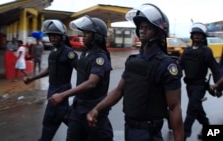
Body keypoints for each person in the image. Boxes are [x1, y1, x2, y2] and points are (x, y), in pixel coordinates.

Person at [86, 3, 184, 141]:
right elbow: (119, 90)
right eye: (141, 27)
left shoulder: (166, 65)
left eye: (148, 28)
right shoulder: (133, 61)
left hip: (149, 133)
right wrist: (97, 109)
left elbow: (174, 108)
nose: (143, 31)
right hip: (129, 129)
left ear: (159, 32)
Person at [48, 15, 113, 141]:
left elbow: (91, 83)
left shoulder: (100, 57)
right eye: (83, 33)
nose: (83, 36)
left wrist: (63, 95)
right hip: (78, 108)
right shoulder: (85, 53)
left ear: (97, 36)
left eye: (87, 33)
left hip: (94, 110)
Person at [23, 19, 78, 141]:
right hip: (52, 92)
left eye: (55, 35)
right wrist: (32, 78)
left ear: (62, 36)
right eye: (50, 35)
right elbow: (49, 70)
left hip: (61, 93)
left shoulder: (69, 53)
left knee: (50, 123)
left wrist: (82, 91)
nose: (52, 38)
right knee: (64, 119)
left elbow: (81, 71)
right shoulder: (53, 51)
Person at [179, 22, 222, 140]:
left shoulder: (206, 51)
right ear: (191, 36)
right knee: (197, 110)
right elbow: (179, 67)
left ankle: (183, 136)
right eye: (195, 34)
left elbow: (215, 69)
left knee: (191, 109)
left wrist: (219, 88)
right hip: (189, 86)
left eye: (199, 34)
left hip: (200, 86)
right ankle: (210, 132)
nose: (197, 36)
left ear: (204, 37)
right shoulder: (187, 51)